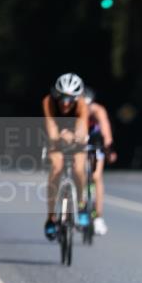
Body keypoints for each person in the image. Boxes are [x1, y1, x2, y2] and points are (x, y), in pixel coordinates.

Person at [41, 73, 88, 240]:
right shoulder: (48, 102)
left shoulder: (82, 104)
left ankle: (81, 205)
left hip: (75, 137)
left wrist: (74, 136)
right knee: (56, 167)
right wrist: (59, 137)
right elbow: (51, 127)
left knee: (79, 168)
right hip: (56, 136)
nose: (66, 103)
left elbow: (82, 131)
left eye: (70, 99)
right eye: (62, 98)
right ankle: (51, 216)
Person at [83, 86, 117, 236]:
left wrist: (109, 149)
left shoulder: (98, 110)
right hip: (77, 140)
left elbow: (106, 131)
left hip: (94, 141)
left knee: (96, 177)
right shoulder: (72, 111)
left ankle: (98, 217)